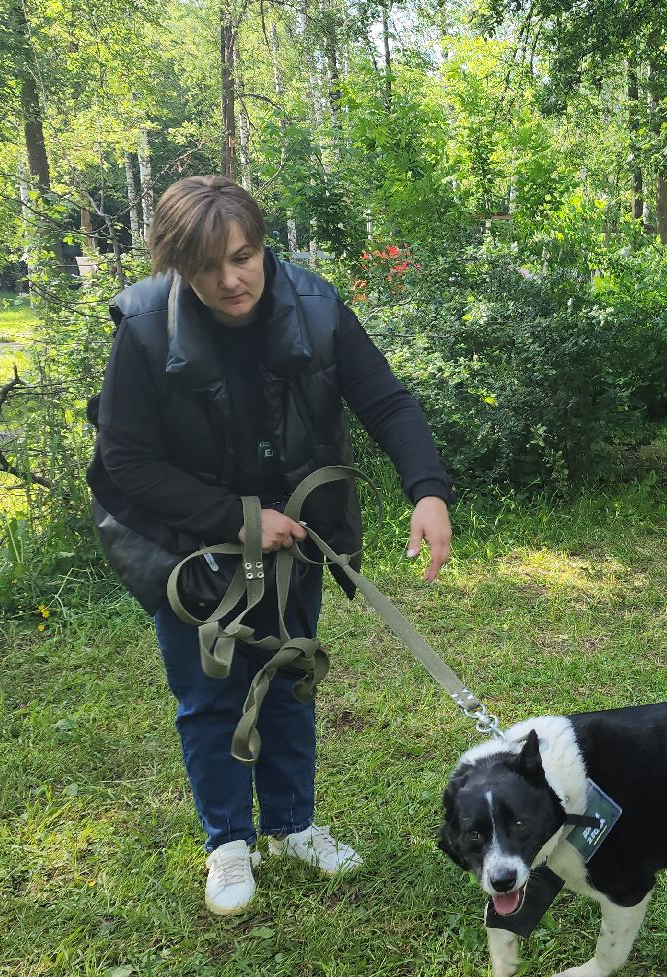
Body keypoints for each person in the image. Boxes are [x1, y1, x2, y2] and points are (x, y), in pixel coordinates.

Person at [87, 175, 454, 916]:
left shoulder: (317, 308)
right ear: (177, 267)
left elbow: (385, 400)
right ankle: (229, 844)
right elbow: (125, 464)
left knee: (291, 673)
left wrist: (428, 489)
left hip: (293, 536)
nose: (231, 280)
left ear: (263, 247)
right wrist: (236, 518)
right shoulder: (144, 328)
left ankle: (292, 825)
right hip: (183, 538)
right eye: (208, 267)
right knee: (208, 692)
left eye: (244, 257)